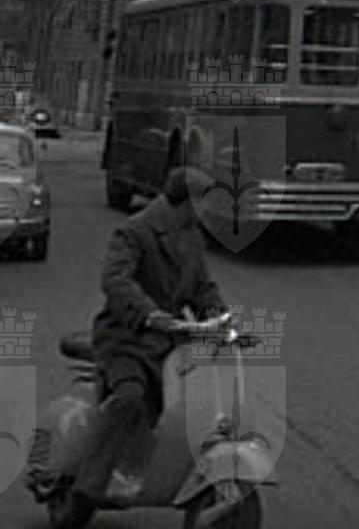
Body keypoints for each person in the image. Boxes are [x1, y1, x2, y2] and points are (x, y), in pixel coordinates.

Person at [52, 166, 228, 529]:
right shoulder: (135, 231)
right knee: (130, 397)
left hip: (167, 343)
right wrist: (148, 314)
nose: (208, 212)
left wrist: (221, 318)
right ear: (185, 202)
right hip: (126, 339)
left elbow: (202, 288)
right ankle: (87, 488)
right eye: (204, 203)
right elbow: (116, 280)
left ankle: (156, 471)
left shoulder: (191, 238)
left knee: (192, 403)